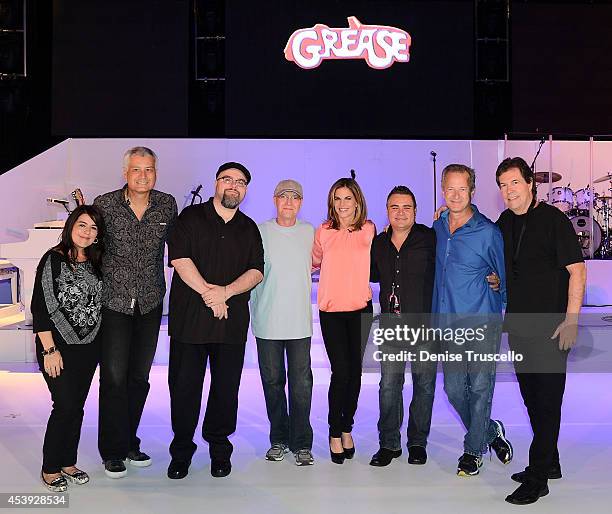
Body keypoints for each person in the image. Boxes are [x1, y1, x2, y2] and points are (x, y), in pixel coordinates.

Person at [495, 157, 585, 505]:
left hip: (552, 328)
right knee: (533, 399)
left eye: (514, 182)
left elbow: (577, 271)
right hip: (519, 326)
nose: (508, 191)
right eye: (503, 185)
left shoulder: (554, 220)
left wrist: (572, 319)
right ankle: (551, 462)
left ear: (530, 183)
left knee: (547, 402)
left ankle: (537, 478)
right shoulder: (504, 222)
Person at [166, 161, 264, 479]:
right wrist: (212, 295)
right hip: (189, 323)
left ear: (245, 190)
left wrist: (226, 292)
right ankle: (181, 452)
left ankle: (219, 449)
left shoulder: (249, 228)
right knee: (184, 390)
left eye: (240, 182)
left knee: (225, 391)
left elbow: (256, 271)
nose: (233, 185)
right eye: (227, 179)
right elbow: (180, 259)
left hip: (230, 325)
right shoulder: (190, 217)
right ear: (215, 183)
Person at [94, 146, 178, 478]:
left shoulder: (167, 204)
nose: (143, 176)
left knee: (138, 378)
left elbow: (181, 247)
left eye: (149, 170)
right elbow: (90, 247)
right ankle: (112, 451)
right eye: (136, 170)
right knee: (113, 377)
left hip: (150, 302)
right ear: (125, 173)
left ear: (155, 172)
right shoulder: (105, 204)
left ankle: (130, 441)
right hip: (114, 303)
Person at [432, 164, 513, 477]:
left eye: (461, 189)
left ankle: (472, 451)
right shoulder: (438, 227)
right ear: (443, 189)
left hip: (481, 323)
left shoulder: (489, 232)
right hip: (447, 322)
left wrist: (496, 282)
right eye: (450, 189)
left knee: (479, 389)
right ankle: (490, 431)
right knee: (454, 391)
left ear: (472, 191)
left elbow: (503, 280)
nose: (455, 195)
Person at [31, 205, 106, 492]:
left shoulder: (98, 262)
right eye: (82, 225)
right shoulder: (54, 259)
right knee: (64, 405)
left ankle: (68, 462)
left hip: (88, 348)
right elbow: (42, 306)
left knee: (77, 408)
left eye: (93, 228)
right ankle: (50, 467)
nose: (87, 232)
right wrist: (49, 350)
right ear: (71, 226)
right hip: (56, 347)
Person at [369, 186, 437, 467]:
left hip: (424, 326)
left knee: (424, 386)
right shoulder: (379, 243)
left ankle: (417, 443)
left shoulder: (429, 238)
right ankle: (389, 444)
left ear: (415, 211)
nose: (400, 212)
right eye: (394, 207)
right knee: (389, 387)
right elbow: (373, 275)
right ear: (387, 211)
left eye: (406, 207)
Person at [250, 179, 315, 466]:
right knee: (272, 382)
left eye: (295, 197)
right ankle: (279, 439)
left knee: (301, 385)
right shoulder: (259, 232)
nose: (289, 202)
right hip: (267, 320)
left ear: (301, 203)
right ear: (275, 200)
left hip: (299, 322)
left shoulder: (310, 232)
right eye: (283, 196)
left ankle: (302, 443)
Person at [312, 176, 375, 464]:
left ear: (358, 201)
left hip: (361, 309)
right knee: (341, 372)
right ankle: (334, 432)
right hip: (332, 311)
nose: (342, 204)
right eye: (337, 199)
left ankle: (347, 427)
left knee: (355, 374)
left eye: (347, 198)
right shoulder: (323, 231)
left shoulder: (369, 229)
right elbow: (310, 262)